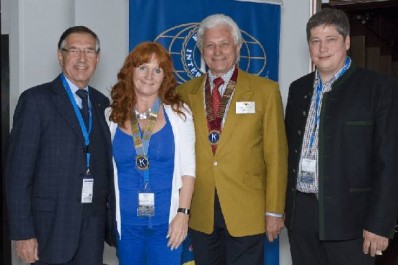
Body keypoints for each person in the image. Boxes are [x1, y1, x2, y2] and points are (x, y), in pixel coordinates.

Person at [284, 8, 398, 265]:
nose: (322, 48)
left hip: (353, 220)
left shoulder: (379, 88)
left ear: (347, 42)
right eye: (315, 41)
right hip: (301, 217)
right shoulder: (298, 88)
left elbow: (390, 163)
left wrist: (381, 224)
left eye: (330, 39)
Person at [177, 14, 288, 265]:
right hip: (201, 210)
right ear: (201, 50)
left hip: (247, 209)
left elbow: (276, 156)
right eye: (210, 45)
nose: (217, 52)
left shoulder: (265, 91)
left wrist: (274, 211)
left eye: (224, 44)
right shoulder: (184, 93)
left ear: (237, 47)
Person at [5, 26, 115, 265]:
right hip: (49, 230)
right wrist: (23, 233)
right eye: (74, 50)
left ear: (98, 57)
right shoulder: (36, 100)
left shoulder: (101, 103)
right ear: (60, 55)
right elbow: (18, 174)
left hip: (92, 230)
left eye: (89, 51)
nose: (82, 58)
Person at [106, 42, 195, 265]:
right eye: (143, 67)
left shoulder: (179, 114)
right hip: (126, 224)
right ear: (130, 71)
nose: (149, 75)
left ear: (164, 77)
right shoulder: (111, 115)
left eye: (157, 70)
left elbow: (189, 171)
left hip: (167, 222)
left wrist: (183, 214)